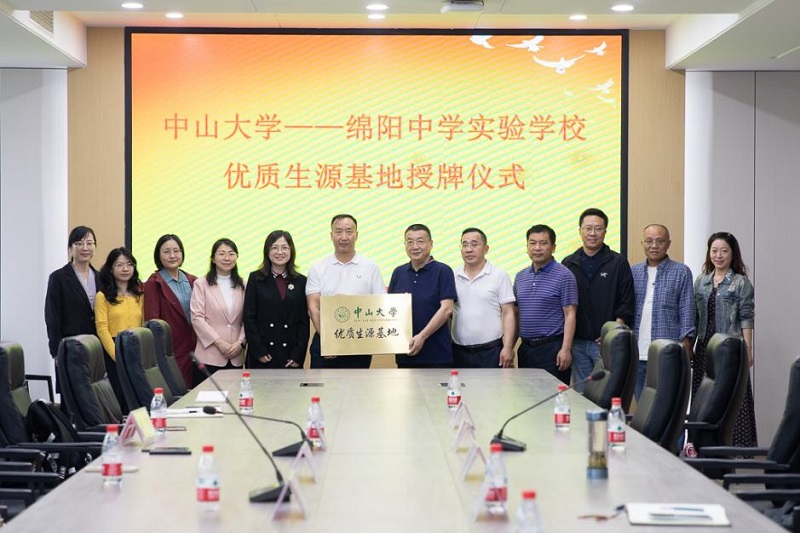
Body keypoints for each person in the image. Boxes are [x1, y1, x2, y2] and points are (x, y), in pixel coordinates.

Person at [693, 232, 756, 447]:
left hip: (730, 348)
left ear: (732, 254)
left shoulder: (740, 282)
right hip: (705, 347)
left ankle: (736, 448)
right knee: (703, 398)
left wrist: (748, 349)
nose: (718, 256)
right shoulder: (701, 281)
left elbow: (746, 317)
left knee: (733, 397)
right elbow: (696, 317)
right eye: (714, 251)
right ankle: (701, 447)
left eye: (724, 251)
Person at [562, 208, 635, 392]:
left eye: (598, 229)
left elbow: (626, 301)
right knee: (581, 394)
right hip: (577, 343)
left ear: (605, 231)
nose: (592, 233)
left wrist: (611, 334)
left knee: (606, 393)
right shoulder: (569, 263)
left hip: (605, 344)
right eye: (588, 228)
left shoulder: (618, 262)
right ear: (580, 231)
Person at [306, 214, 385, 369]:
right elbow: (313, 308)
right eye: (338, 232)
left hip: (359, 343)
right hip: (325, 339)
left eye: (349, 231)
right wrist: (328, 341)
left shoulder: (370, 267)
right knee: (322, 384)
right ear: (331, 236)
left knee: (357, 384)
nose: (344, 237)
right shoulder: (318, 268)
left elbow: (380, 303)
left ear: (357, 235)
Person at [632, 224, 696, 399]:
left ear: (668, 244)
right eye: (649, 241)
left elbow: (687, 311)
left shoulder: (681, 272)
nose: (654, 246)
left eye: (659, 241)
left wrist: (685, 348)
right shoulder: (633, 271)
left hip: (667, 354)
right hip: (637, 354)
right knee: (642, 408)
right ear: (642, 243)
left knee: (664, 406)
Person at [514, 224, 578, 384]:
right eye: (532, 243)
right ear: (527, 247)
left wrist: (565, 349)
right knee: (526, 395)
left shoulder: (564, 275)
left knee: (553, 396)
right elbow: (516, 314)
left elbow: (570, 315)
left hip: (552, 349)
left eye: (543, 243)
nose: (537, 248)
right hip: (526, 349)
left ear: (553, 247)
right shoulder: (520, 277)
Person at [389, 224, 457, 368]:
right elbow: (390, 310)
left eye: (420, 241)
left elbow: (447, 309)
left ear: (430, 244)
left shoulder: (443, 271)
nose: (415, 247)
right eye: (410, 242)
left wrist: (422, 336)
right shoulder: (398, 272)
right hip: (405, 352)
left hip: (437, 354)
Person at [44, 226, 100, 397]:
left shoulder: (101, 277)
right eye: (79, 243)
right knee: (72, 400)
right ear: (70, 248)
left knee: (96, 397)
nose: (85, 248)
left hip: (96, 349)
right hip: (70, 349)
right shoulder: (58, 278)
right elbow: (52, 317)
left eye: (89, 243)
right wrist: (56, 352)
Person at [244, 231, 309, 369]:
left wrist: (298, 354)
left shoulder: (301, 281)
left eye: (284, 247)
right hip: (264, 354)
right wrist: (259, 350)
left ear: (291, 251)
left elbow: (304, 321)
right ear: (267, 251)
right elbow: (249, 317)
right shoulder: (255, 278)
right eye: (274, 247)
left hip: (290, 355)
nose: (280, 252)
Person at [451, 227, 516, 368]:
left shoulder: (500, 275)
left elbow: (508, 313)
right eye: (464, 245)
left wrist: (508, 347)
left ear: (486, 248)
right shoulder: (452, 276)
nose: (469, 249)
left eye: (474, 244)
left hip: (491, 351)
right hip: (458, 351)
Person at [143, 234, 197, 388]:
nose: (172, 256)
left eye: (176, 251)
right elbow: (153, 322)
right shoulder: (154, 283)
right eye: (166, 252)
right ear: (158, 256)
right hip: (171, 350)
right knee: (178, 390)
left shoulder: (193, 280)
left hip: (196, 347)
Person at [190, 238, 246, 383]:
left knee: (235, 396)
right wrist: (219, 342)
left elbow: (249, 318)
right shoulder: (201, 284)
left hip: (236, 355)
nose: (227, 258)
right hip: (209, 355)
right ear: (213, 259)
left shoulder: (243, 285)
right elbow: (197, 318)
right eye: (221, 254)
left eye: (231, 254)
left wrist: (240, 343)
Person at [95, 247, 143, 413]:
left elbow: (143, 323)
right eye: (119, 265)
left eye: (129, 264)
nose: (125, 269)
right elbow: (102, 328)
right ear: (110, 269)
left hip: (136, 348)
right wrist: (117, 355)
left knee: (138, 398)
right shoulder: (102, 296)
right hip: (114, 350)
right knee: (120, 399)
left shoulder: (139, 294)